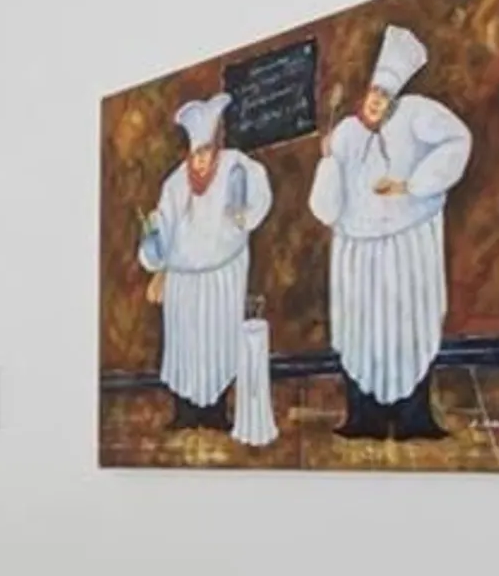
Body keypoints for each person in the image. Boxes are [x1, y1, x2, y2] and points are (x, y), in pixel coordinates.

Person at [306, 22, 474, 438]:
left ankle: (414, 417)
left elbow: (458, 140)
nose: (377, 102)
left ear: (395, 96)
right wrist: (328, 161)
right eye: (374, 94)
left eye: (385, 95)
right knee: (361, 328)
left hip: (408, 241)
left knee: (409, 323)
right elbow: (324, 208)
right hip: (357, 250)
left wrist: (412, 185)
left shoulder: (418, 113)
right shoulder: (346, 133)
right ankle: (363, 417)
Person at [137, 94, 269, 430]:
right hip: (185, 279)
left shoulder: (236, 166)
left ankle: (216, 412)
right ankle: (185, 412)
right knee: (186, 344)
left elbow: (258, 196)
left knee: (219, 341)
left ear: (215, 147)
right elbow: (163, 228)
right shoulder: (175, 183)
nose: (200, 161)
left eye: (206, 152)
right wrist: (155, 252)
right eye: (196, 153)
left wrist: (245, 215)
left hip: (223, 273)